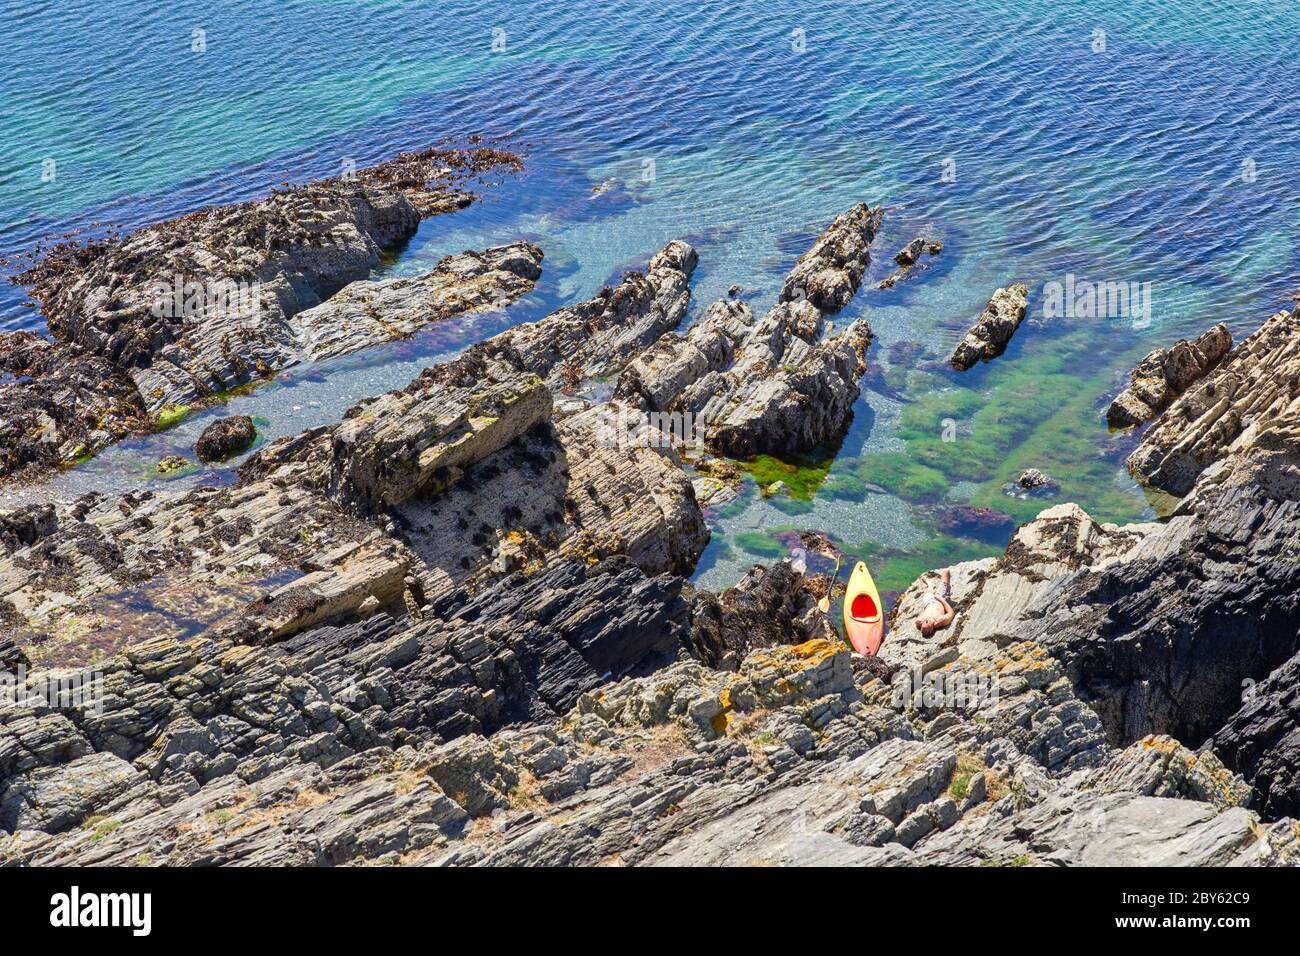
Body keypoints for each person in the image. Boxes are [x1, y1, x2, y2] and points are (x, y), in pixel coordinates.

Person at [914, 568, 955, 638]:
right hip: (940, 599)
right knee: (946, 571)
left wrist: (919, 620)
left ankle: (929, 584)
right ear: (932, 628)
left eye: (924, 622)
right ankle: (946, 585)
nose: (926, 620)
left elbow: (921, 614)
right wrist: (941, 599)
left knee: (929, 591)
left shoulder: (921, 621)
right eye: (927, 623)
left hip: (928, 602)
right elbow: (951, 613)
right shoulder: (941, 620)